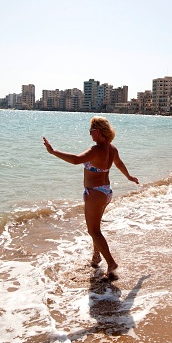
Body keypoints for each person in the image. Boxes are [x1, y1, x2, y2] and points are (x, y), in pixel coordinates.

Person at [43, 117, 139, 278]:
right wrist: (129, 177)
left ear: (98, 131)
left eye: (91, 131)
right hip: (105, 192)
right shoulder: (111, 149)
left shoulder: (96, 150)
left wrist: (53, 152)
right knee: (96, 229)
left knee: (93, 231)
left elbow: (75, 160)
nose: (89, 134)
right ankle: (96, 256)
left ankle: (111, 263)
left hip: (95, 193)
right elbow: (120, 164)